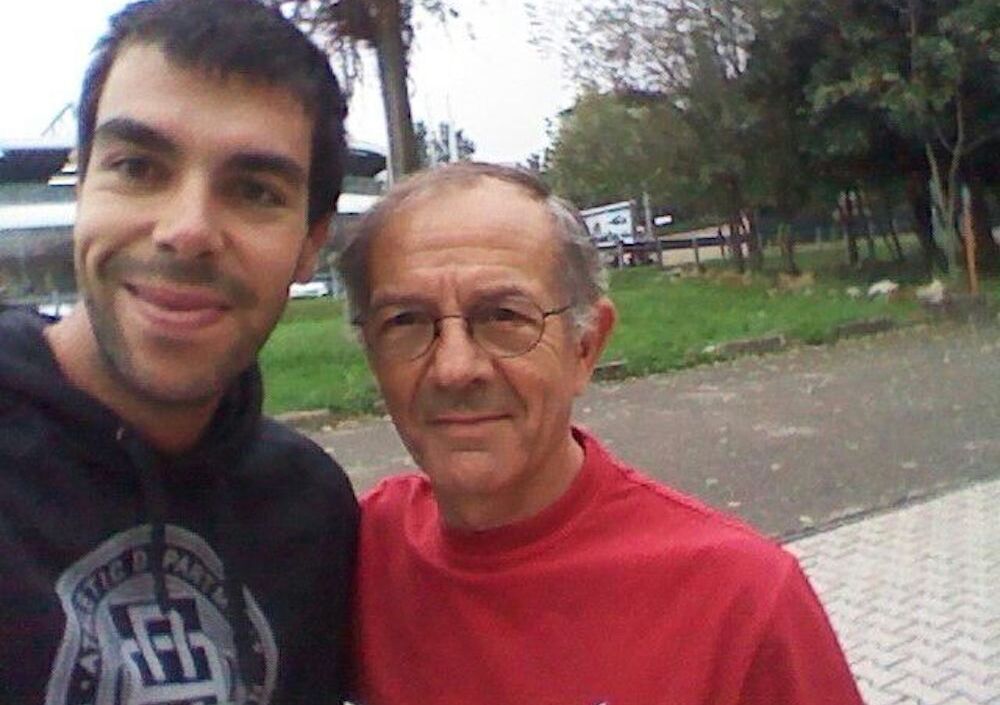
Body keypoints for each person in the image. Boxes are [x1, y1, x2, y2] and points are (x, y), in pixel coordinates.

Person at [340, 162, 864, 705]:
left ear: (585, 347)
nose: (454, 369)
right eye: (405, 322)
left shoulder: (742, 604)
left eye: (503, 316)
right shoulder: (351, 556)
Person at [0, 1, 359, 703]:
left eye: (254, 190)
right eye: (138, 167)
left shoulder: (311, 514)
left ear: (309, 244)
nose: (187, 230)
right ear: (82, 187)